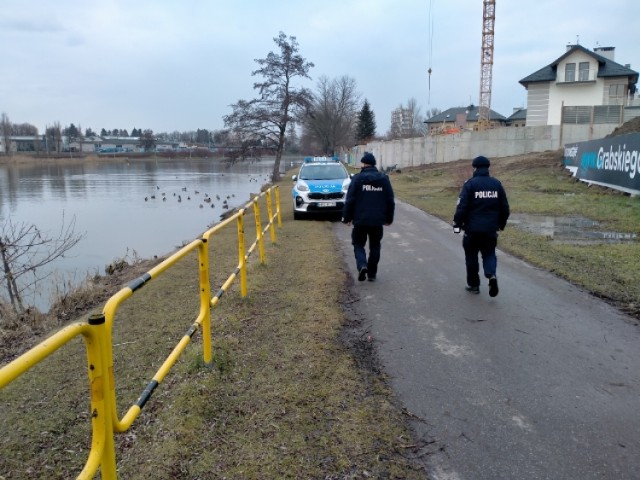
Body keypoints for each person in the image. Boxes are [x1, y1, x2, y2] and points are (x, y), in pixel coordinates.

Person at [453, 155, 510, 297]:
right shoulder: (496, 184)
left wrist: (457, 224)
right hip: (490, 229)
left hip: (472, 230)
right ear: (488, 167)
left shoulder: (470, 184)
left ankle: (474, 285)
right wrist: (501, 224)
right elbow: (505, 208)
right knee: (489, 253)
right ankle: (491, 276)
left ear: (474, 168)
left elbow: (462, 207)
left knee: (471, 257)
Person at [342, 152, 395, 282]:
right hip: (377, 221)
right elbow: (390, 200)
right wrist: (389, 219)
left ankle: (362, 265)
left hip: (360, 220)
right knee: (375, 245)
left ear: (364, 164)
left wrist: (347, 218)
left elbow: (350, 200)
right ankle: (371, 274)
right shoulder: (384, 179)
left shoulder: (357, 179)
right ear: (374, 164)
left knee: (358, 244)